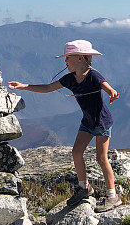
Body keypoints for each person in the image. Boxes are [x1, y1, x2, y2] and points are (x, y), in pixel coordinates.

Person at [8, 40, 122, 212]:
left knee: (101, 158)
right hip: (87, 122)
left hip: (101, 122)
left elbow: (107, 87)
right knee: (76, 152)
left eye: (68, 58)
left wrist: (112, 93)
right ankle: (84, 188)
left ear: (82, 58)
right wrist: (24, 86)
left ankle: (112, 196)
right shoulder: (69, 79)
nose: (66, 62)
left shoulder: (93, 76)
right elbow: (47, 88)